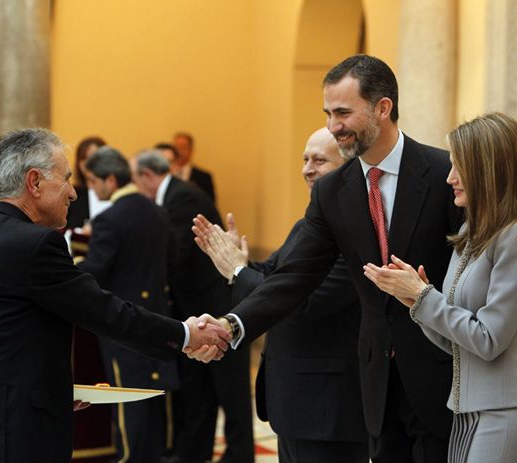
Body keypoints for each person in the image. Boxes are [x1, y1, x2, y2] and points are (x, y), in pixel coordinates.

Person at [192, 54, 464, 463]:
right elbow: (295, 278)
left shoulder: (444, 172)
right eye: (328, 113)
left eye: (342, 112)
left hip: (443, 377)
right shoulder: (333, 192)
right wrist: (234, 325)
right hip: (375, 386)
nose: (333, 126)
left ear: (382, 108)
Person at [0, 128, 230, 463]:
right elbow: (104, 311)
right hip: (5, 437)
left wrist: (45, 389)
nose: (73, 193)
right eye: (65, 178)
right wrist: (185, 335)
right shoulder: (35, 244)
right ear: (34, 182)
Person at [193, 128, 369, 462]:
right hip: (296, 400)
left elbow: (302, 302)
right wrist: (239, 262)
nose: (307, 169)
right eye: (304, 159)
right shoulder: (308, 225)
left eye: (319, 160)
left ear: (348, 169)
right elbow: (274, 276)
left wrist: (239, 271)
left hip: (326, 406)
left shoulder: (354, 230)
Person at [363, 112, 517, 463]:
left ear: (486, 170)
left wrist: (423, 297)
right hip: (464, 410)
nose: (449, 179)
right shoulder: (468, 235)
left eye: (458, 167)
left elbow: (489, 340)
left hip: (503, 411)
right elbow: (455, 342)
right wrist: (414, 303)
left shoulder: (512, 238)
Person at [132, 150, 254, 463]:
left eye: (135, 178)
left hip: (218, 309)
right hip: (194, 309)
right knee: (198, 392)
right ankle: (192, 454)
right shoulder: (173, 196)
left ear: (147, 176)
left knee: (231, 392)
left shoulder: (182, 198)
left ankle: (239, 456)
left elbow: (177, 255)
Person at [78, 146, 179, 462]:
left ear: (110, 179)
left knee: (125, 399)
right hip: (157, 320)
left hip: (123, 323)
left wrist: (70, 263)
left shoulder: (110, 218)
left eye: (94, 181)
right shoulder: (157, 211)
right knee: (153, 400)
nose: (92, 188)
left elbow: (96, 269)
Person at [66, 135, 109, 229]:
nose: (88, 164)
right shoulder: (72, 195)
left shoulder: (115, 194)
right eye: (84, 158)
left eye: (94, 158)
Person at [172, 132, 216, 201]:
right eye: (176, 147)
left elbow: (210, 204)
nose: (179, 151)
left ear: (191, 150)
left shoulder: (204, 177)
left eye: (183, 147)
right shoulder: (165, 174)